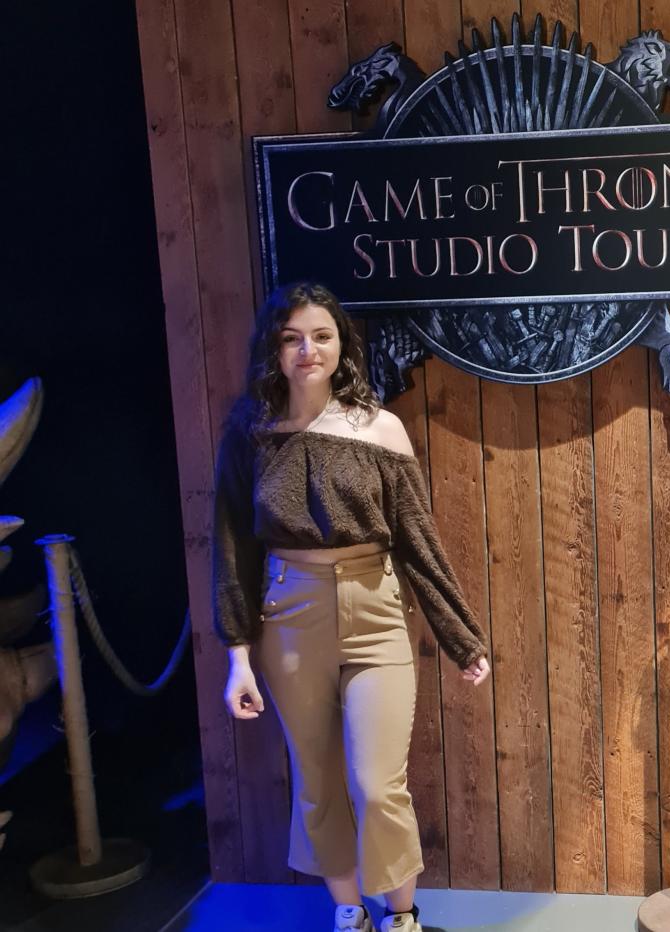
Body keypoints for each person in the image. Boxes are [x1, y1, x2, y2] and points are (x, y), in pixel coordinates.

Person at [212, 282, 490, 932]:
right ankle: (349, 912)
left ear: (342, 346)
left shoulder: (381, 428)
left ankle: (402, 916)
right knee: (316, 781)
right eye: (291, 338)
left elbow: (419, 541)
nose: (308, 350)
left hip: (376, 609)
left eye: (321, 335)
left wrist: (461, 637)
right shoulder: (248, 433)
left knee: (375, 785)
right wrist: (237, 657)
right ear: (273, 350)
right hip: (287, 616)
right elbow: (230, 550)